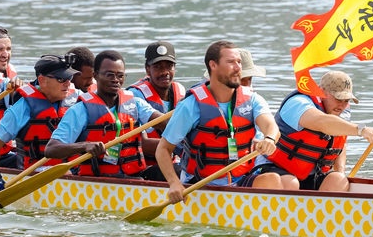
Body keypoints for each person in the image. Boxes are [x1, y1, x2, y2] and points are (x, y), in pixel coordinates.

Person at [156, 40, 288, 206]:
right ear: (213, 65)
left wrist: (269, 138)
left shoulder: (252, 99)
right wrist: (174, 183)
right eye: (231, 62)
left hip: (241, 178)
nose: (238, 68)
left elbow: (271, 126)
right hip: (200, 183)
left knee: (272, 179)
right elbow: (163, 149)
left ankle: (265, 226)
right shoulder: (191, 106)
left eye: (239, 62)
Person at [255, 71, 373, 192]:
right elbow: (322, 122)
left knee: (338, 180)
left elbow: (340, 144)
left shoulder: (341, 111)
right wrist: (361, 130)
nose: (342, 105)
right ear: (321, 92)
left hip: (313, 175)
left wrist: (340, 172)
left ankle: (321, 215)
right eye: (338, 99)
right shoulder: (297, 103)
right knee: (291, 183)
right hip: (275, 169)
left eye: (346, 100)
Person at [44, 50, 165, 178]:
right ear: (95, 75)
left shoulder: (136, 103)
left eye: (120, 75)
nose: (116, 80)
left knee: (171, 171)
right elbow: (51, 149)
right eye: (110, 75)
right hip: (99, 179)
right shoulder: (80, 110)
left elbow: (164, 122)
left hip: (134, 174)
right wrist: (84, 146)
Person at [0, 55, 78, 196]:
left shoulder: (77, 101)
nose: (67, 84)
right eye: (61, 79)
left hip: (74, 172)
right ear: (42, 80)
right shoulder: (23, 107)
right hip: (33, 174)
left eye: (69, 79)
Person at [128, 40, 186, 179]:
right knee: (182, 173)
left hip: (174, 161)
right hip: (146, 167)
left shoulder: (181, 91)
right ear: (147, 69)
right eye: (158, 67)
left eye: (169, 66)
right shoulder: (135, 96)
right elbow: (142, 143)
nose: (165, 72)